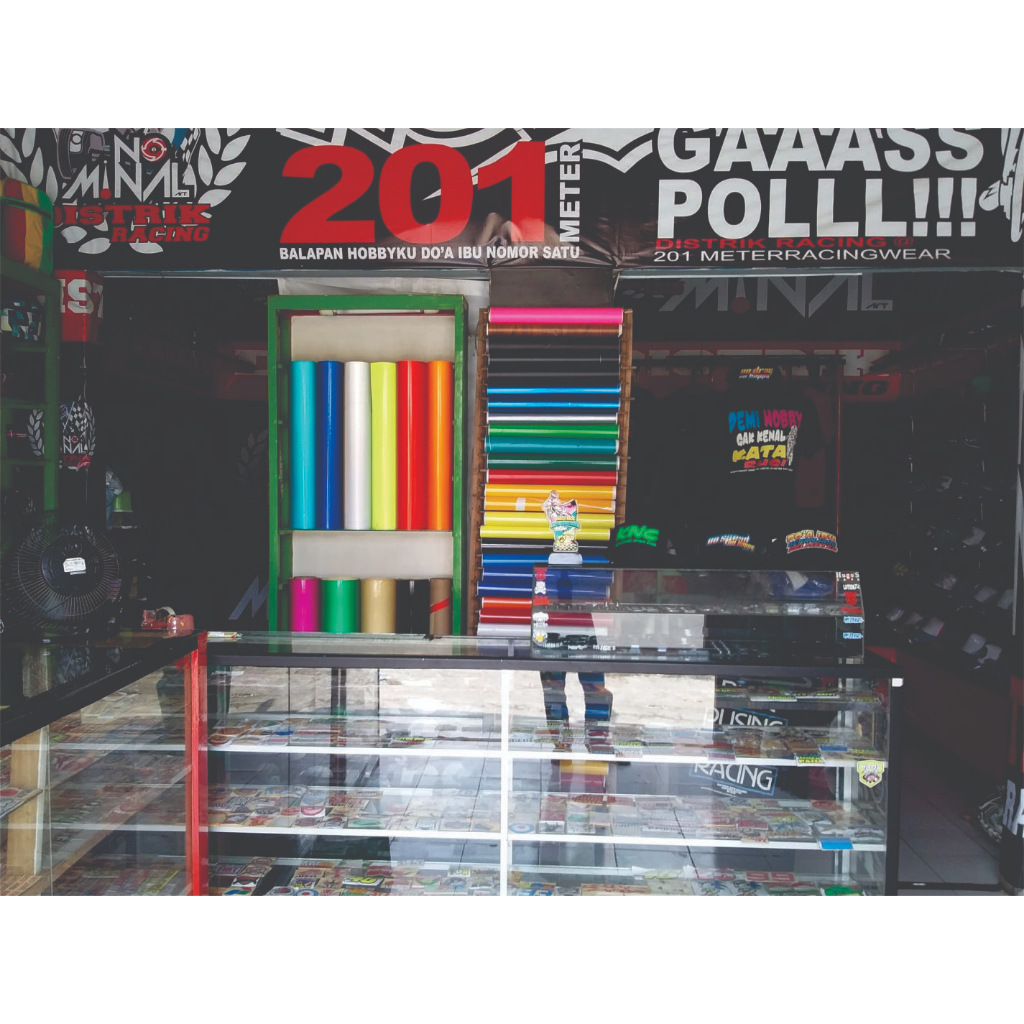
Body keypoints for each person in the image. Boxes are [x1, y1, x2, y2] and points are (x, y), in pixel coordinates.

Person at [539, 512, 678, 752]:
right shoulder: (596, 571)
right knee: (575, 688)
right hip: (573, 632)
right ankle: (586, 740)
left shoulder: (595, 568)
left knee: (568, 689)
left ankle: (578, 740)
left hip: (572, 632)